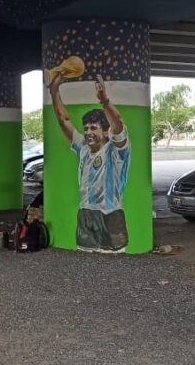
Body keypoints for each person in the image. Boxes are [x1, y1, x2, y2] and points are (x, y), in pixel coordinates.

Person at [49, 73, 131, 253]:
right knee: (85, 264)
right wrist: (54, 91)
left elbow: (118, 124)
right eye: (86, 128)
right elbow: (64, 120)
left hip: (111, 215)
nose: (88, 132)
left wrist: (105, 102)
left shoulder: (116, 151)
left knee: (114, 264)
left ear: (105, 131)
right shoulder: (83, 147)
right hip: (86, 214)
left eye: (93, 128)